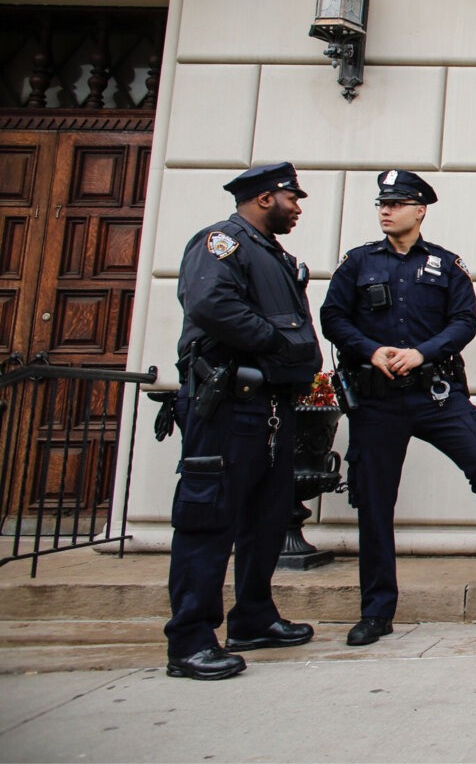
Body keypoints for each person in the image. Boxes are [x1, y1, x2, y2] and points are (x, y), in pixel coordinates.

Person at [320, 170, 476, 647]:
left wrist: (422, 352)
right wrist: (371, 350)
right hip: (378, 399)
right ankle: (377, 611)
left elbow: (465, 321)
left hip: (435, 393)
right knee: (376, 502)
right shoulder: (357, 264)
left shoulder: (446, 265)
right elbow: (332, 317)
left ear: (420, 211)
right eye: (382, 203)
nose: (385, 210)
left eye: (397, 203)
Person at [165, 163, 321, 680]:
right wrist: (277, 342)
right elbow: (210, 304)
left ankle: (253, 617)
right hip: (229, 406)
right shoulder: (220, 243)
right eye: (291, 199)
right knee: (209, 521)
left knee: (267, 518)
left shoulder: (271, 253)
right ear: (263, 198)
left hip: (271, 408)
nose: (297, 208)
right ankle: (189, 640)